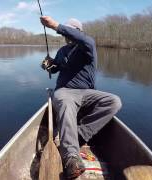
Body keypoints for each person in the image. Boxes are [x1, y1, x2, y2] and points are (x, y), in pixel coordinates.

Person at [40, 16, 122, 179]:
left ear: (78, 32)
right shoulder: (63, 50)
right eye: (66, 32)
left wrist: (55, 25)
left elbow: (83, 39)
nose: (67, 35)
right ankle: (71, 157)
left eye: (72, 31)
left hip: (86, 92)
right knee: (65, 103)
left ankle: (79, 134)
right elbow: (56, 68)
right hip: (65, 91)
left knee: (114, 102)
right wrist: (48, 65)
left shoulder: (87, 45)